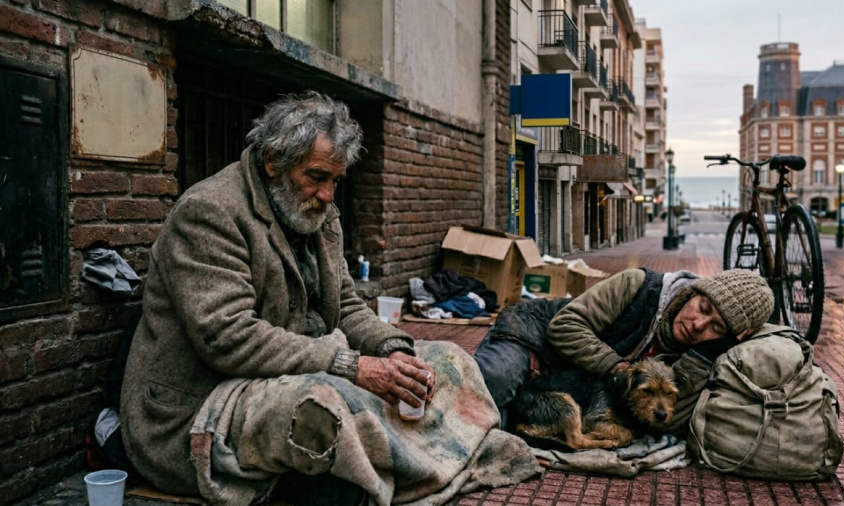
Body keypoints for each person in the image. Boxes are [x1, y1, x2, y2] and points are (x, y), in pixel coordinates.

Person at [120, 93, 537, 505]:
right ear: (272, 162)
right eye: (317, 176)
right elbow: (228, 336)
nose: (327, 194)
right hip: (202, 406)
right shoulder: (209, 213)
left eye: (335, 180)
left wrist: (393, 350)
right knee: (328, 401)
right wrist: (352, 366)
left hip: (294, 369)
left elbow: (348, 306)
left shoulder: (317, 216)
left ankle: (395, 469)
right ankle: (395, 469)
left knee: (448, 362)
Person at [475, 267, 775, 434]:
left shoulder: (701, 353)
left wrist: (710, 352)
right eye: (703, 308)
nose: (698, 325)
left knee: (499, 426)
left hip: (566, 387)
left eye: (717, 327)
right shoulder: (637, 285)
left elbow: (671, 417)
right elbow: (564, 327)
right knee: (492, 385)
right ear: (694, 292)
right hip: (534, 338)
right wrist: (619, 369)